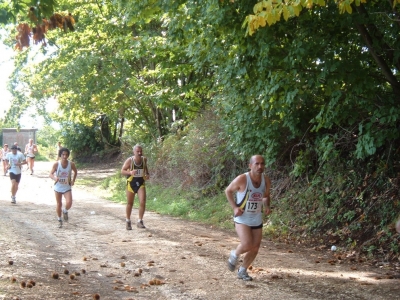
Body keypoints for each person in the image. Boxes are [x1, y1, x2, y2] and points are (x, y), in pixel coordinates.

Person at [225, 155, 271, 281]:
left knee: (255, 248)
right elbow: (228, 191)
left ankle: (242, 270)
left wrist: (267, 205)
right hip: (242, 217)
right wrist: (234, 207)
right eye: (256, 164)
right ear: (250, 165)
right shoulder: (242, 179)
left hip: (256, 217)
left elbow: (266, 195)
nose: (260, 166)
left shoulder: (265, 180)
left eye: (262, 164)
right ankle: (234, 254)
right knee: (246, 244)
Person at [121, 144, 150, 230]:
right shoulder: (130, 160)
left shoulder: (144, 159)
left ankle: (140, 221)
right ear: (134, 152)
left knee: (143, 201)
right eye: (137, 151)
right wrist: (130, 173)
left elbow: (146, 169)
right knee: (130, 203)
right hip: (131, 183)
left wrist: (147, 174)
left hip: (141, 183)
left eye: (141, 151)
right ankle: (128, 221)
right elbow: (122, 171)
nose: (139, 153)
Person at [49, 147, 78, 228]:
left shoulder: (71, 164)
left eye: (66, 155)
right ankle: (59, 219)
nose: (65, 156)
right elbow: (50, 174)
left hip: (67, 187)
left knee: (69, 202)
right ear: (60, 155)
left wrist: (73, 180)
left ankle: (65, 211)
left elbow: (75, 172)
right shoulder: (56, 164)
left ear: (68, 155)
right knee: (59, 204)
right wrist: (55, 178)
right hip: (58, 187)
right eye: (63, 155)